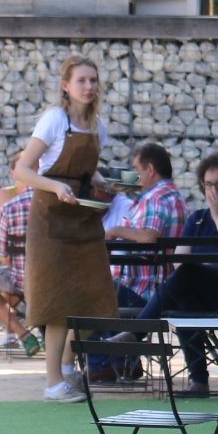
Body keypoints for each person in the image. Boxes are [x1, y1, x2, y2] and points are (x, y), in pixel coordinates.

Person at [14, 56, 120, 402]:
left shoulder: (96, 125)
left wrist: (108, 182)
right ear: (66, 86)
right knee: (57, 303)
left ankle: (69, 366)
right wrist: (55, 186)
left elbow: (88, 175)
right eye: (81, 81)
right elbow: (23, 170)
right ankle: (53, 382)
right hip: (51, 222)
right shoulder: (54, 120)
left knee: (92, 299)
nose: (89, 87)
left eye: (93, 80)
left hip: (84, 220)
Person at [133, 150, 218, 395]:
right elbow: (178, 263)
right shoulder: (196, 219)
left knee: (188, 276)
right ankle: (199, 381)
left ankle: (135, 333)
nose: (213, 191)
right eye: (208, 184)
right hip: (201, 292)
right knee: (185, 293)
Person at [90, 142, 187, 382]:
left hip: (144, 288)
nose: (133, 175)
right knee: (91, 289)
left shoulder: (154, 199)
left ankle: (104, 363)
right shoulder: (174, 196)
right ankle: (124, 362)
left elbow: (148, 237)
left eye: (136, 169)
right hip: (161, 284)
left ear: (150, 169)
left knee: (83, 294)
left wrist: (115, 230)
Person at [0, 167, 39, 354]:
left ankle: (23, 334)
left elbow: (3, 253)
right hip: (55, 278)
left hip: (20, 278)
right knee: (10, 285)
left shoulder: (11, 206)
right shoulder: (59, 202)